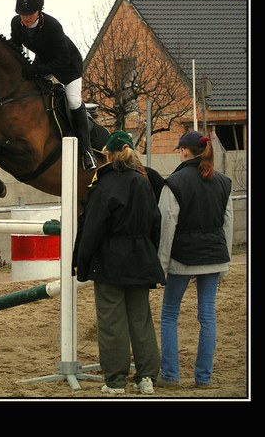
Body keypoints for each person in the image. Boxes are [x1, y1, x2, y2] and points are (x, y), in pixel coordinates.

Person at [75, 130, 166, 395]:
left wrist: (81, 262)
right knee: (141, 320)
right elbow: (155, 222)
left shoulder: (104, 185)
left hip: (110, 262)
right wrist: (149, 252)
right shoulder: (143, 182)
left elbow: (92, 228)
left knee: (112, 322)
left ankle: (115, 381)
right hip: (141, 258)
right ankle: (147, 377)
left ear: (108, 155)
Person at [157, 130, 233, 389]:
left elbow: (167, 226)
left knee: (169, 315)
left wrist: (161, 265)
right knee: (208, 316)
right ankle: (203, 378)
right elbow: (228, 225)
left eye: (180, 148)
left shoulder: (175, 182)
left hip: (182, 258)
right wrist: (226, 261)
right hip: (214, 257)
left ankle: (170, 375)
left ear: (186, 151)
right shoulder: (224, 182)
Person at [9, 0, 97, 173]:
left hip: (68, 67)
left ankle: (87, 152)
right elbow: (15, 49)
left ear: (39, 10)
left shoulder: (53, 26)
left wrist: (37, 70)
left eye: (29, 14)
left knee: (73, 101)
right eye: (22, 14)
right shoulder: (17, 24)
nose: (25, 19)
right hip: (43, 62)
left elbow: (62, 59)